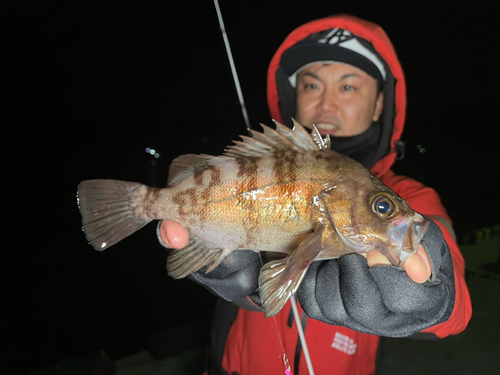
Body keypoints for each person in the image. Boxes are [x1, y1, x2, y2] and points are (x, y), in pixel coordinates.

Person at [157, 14, 472, 375]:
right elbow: (256, 282)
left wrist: (438, 294)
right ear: (294, 97)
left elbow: (457, 303)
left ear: (380, 104)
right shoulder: (264, 161)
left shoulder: (413, 194)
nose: (326, 104)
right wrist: (243, 289)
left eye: (348, 86)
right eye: (311, 85)